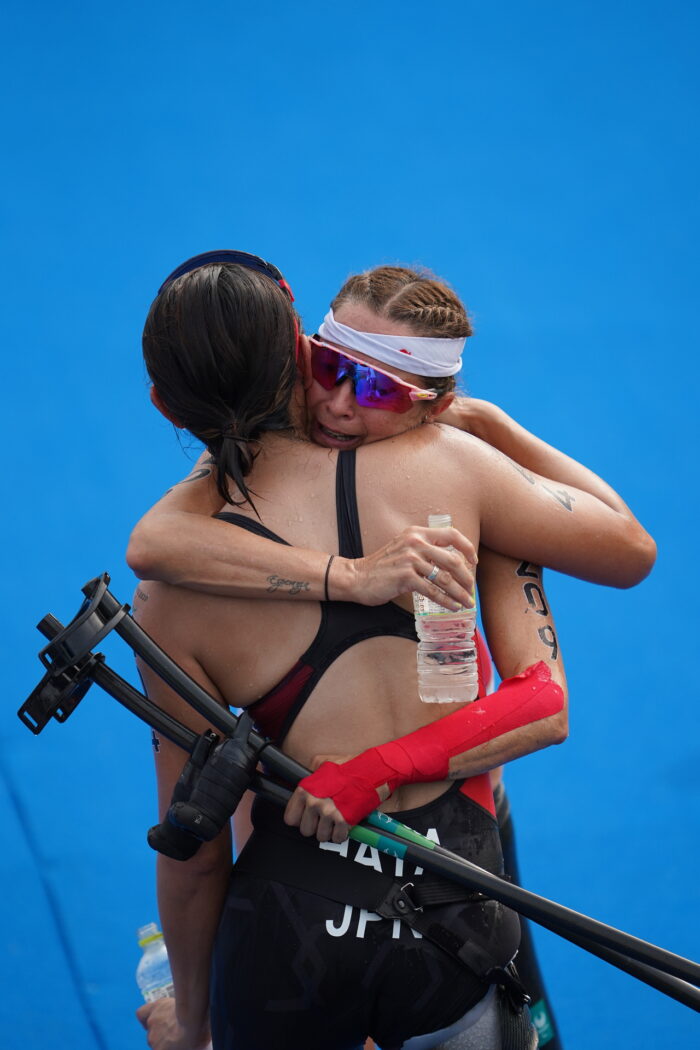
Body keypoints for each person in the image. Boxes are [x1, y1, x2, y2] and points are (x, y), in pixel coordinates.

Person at [132, 253, 654, 1050]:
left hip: (291, 915)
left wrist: (193, 1024)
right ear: (299, 349)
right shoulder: (463, 478)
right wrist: (358, 570)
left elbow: (193, 846)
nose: (341, 404)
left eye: (377, 389)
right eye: (330, 368)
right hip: (458, 885)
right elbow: (617, 560)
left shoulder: (168, 591)